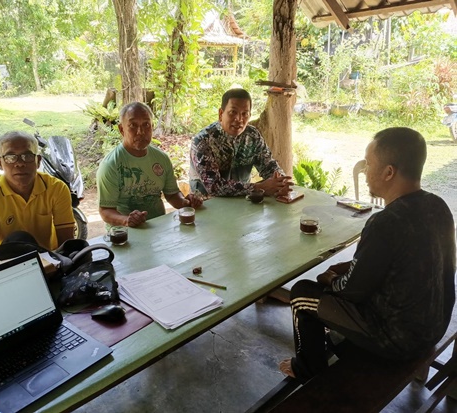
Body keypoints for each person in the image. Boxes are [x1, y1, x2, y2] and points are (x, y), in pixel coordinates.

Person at [280, 127, 456, 383]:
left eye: (369, 163)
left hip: (398, 340)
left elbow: (351, 291)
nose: (365, 171)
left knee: (302, 293)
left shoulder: (386, 222)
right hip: (434, 326)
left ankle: (307, 369)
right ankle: (335, 344)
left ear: (388, 172)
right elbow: (409, 265)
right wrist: (351, 267)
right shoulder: (438, 206)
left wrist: (331, 280)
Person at [97, 102, 202, 228]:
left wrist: (186, 202)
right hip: (125, 234)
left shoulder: (161, 159)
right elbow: (105, 210)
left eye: (146, 125)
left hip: (158, 229)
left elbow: (172, 195)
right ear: (121, 129)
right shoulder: (111, 164)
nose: (140, 132)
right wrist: (126, 220)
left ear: (152, 127)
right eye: (133, 125)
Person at [0, 131, 75, 253]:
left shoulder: (56, 188)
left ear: (38, 161)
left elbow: (67, 245)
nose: (20, 163)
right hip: (10, 261)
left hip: (51, 257)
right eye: (10, 157)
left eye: (27, 156)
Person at [189, 88, 292, 197]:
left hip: (244, 201)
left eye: (244, 114)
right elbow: (214, 187)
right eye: (233, 112)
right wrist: (259, 188)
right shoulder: (203, 141)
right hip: (206, 203)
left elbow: (269, 165)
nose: (239, 119)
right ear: (221, 114)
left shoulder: (252, 136)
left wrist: (281, 182)